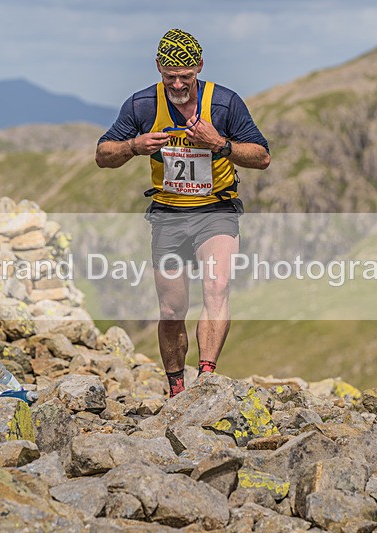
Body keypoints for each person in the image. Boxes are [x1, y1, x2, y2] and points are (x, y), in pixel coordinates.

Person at [95, 28, 270, 397]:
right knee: (172, 308)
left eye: (186, 76)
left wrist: (219, 144)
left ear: (200, 68)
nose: (178, 84)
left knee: (217, 287)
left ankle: (206, 380)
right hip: (168, 214)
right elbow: (103, 155)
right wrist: (134, 145)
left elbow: (262, 156)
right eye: (170, 76)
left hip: (217, 210)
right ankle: (176, 387)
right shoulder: (142, 105)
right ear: (158, 67)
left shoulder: (224, 104)